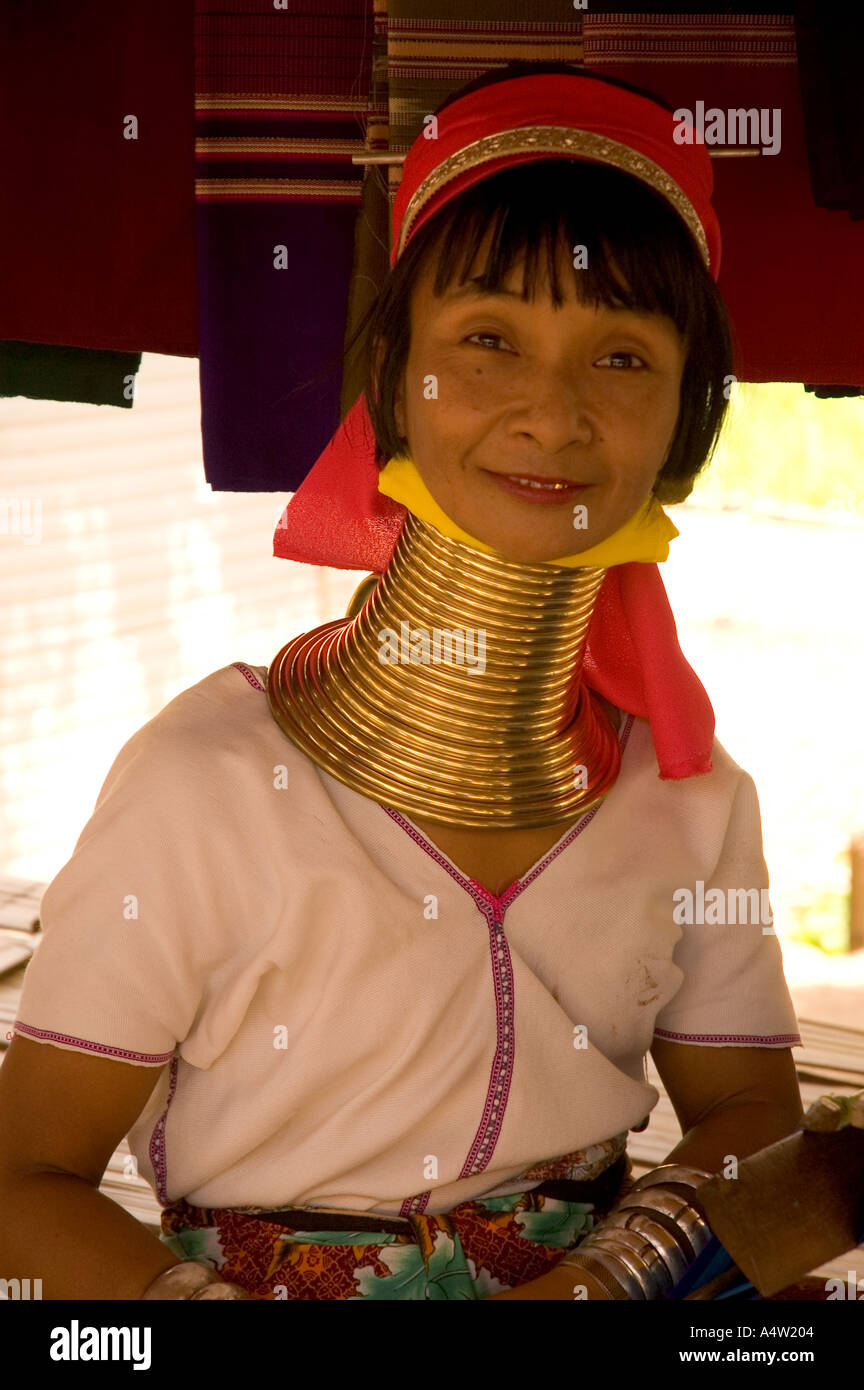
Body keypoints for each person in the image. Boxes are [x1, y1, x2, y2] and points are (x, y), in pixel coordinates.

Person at [0, 62, 803, 1302]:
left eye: (625, 358)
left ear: (688, 420)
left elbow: (753, 1110)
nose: (553, 410)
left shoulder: (691, 798)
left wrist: (602, 1285)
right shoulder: (204, 785)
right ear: (393, 379)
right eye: (489, 339)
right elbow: (23, 1178)